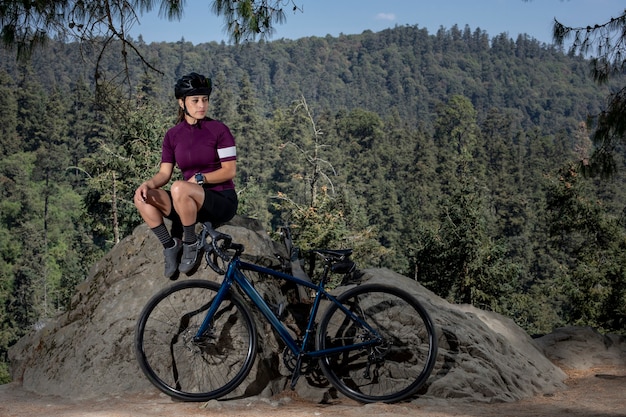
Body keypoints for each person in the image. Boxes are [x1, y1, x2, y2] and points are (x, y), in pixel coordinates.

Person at [134, 72, 238, 279]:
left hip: (220, 200)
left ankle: (191, 243)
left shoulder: (219, 130)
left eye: (205, 100)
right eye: (195, 100)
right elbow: (165, 173)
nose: (202, 105)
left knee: (179, 187)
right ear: (182, 103)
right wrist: (147, 184)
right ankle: (171, 245)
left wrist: (202, 179)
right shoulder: (173, 135)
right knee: (142, 196)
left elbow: (229, 170)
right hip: (187, 205)